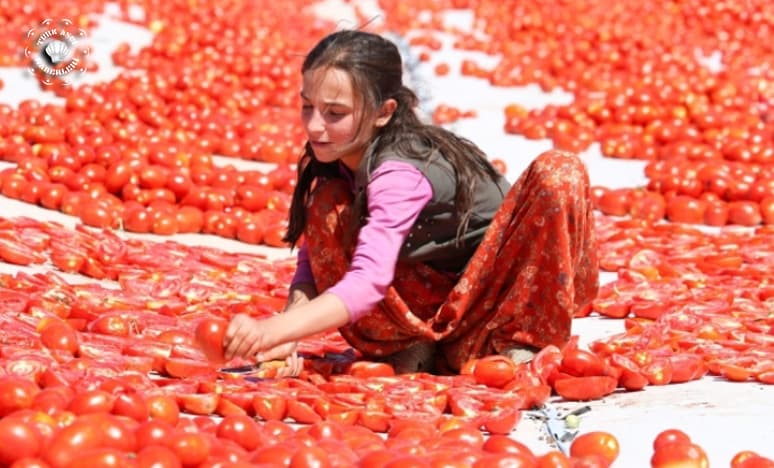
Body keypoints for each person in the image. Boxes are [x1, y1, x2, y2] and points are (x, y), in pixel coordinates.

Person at [223, 29, 599, 376]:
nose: (314, 126)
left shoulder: (399, 173)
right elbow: (316, 256)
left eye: (335, 113)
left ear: (384, 113)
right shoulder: (339, 156)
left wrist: (272, 330)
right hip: (439, 297)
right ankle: (413, 341)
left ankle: (520, 341)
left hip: (499, 296)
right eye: (308, 106)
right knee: (327, 204)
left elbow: (367, 282)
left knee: (558, 170)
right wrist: (289, 327)